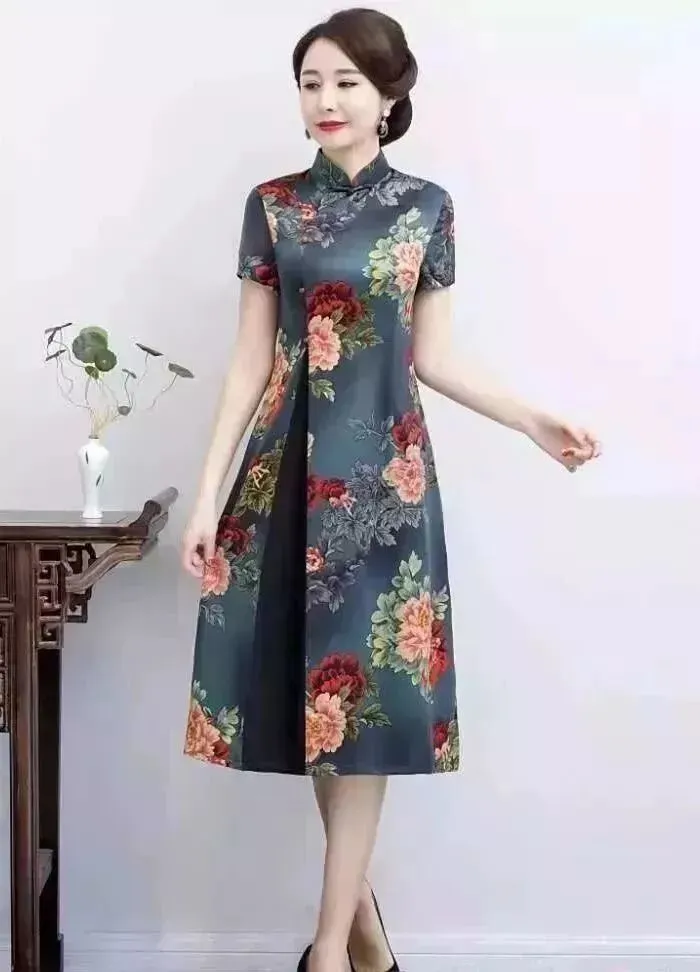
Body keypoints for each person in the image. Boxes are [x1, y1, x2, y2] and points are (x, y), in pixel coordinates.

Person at [180, 8, 601, 972]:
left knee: (361, 705)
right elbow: (249, 360)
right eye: (311, 83)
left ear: (389, 96)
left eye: (346, 83)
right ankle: (362, 926)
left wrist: (532, 420)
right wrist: (207, 497)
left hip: (384, 487)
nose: (326, 101)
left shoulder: (426, 208)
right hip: (284, 474)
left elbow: (433, 356)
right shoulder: (272, 206)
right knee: (314, 697)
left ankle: (328, 949)